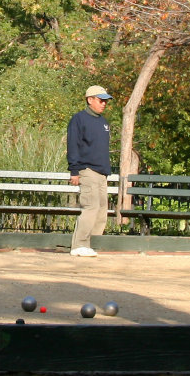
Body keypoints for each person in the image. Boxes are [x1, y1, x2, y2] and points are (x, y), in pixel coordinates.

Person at [67, 85, 113, 257]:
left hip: (102, 173)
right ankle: (79, 244)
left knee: (101, 209)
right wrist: (74, 170)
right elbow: (73, 145)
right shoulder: (79, 119)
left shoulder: (103, 122)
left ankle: (92, 243)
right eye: (101, 100)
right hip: (87, 169)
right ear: (90, 100)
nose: (104, 104)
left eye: (105, 101)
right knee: (91, 207)